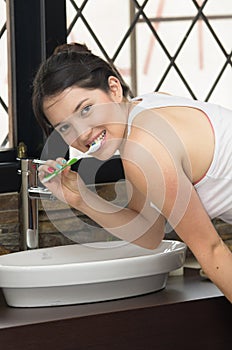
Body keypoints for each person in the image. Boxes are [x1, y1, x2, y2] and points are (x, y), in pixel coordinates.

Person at [33, 42, 232, 302]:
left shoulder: (144, 149)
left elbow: (213, 250)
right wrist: (80, 197)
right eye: (65, 127)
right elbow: (149, 232)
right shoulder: (141, 114)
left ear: (114, 89)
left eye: (86, 109)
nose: (82, 133)